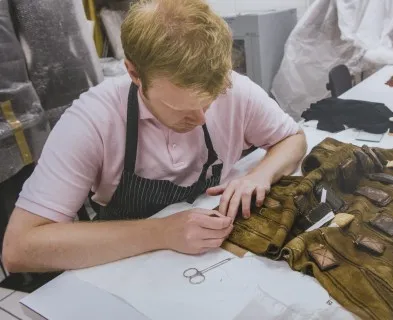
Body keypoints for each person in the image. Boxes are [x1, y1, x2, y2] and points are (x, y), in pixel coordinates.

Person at [2, 0, 306, 273]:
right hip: (124, 267)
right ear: (134, 73)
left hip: (210, 261)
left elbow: (293, 139)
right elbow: (18, 248)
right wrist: (161, 232)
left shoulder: (235, 90)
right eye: (180, 107)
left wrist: (261, 174)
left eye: (209, 101)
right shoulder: (93, 119)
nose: (201, 118)